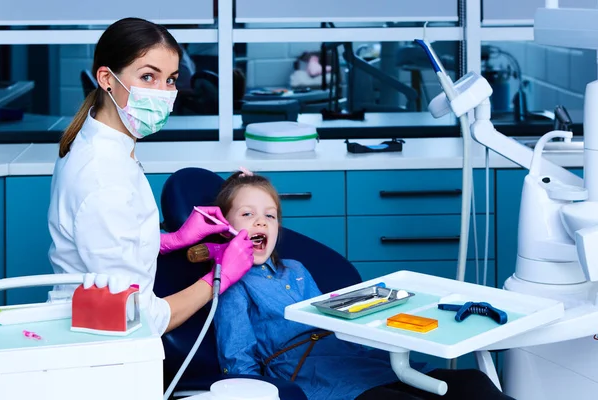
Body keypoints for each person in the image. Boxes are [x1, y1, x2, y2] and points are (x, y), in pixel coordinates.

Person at [209, 170, 514, 400]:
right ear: (225, 226)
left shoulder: (296, 271)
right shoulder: (233, 285)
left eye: (270, 215)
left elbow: (331, 324)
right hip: (315, 378)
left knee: (472, 383)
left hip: (362, 362)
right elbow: (239, 365)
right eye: (247, 214)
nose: (261, 222)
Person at [47, 17, 254, 336]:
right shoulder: (102, 179)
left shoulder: (105, 141)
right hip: (102, 338)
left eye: (170, 80)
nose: (163, 93)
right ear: (107, 78)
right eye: (148, 76)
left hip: (95, 321)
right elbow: (141, 317)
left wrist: (173, 240)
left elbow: (107, 241)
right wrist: (220, 277)